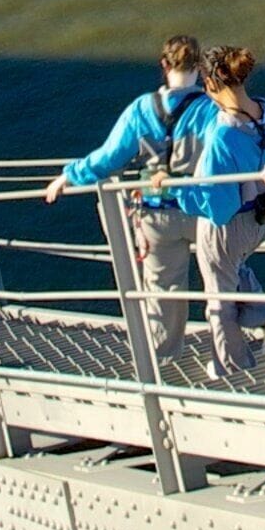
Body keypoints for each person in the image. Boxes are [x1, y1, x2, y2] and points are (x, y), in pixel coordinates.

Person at [46, 36, 214, 350]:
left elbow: (109, 157)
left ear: (164, 65)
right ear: (200, 68)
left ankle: (163, 356)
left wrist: (68, 177)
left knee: (164, 286)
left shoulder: (141, 109)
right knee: (220, 279)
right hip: (202, 207)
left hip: (155, 211)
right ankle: (229, 348)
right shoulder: (209, 108)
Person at [185, 46, 265, 372]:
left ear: (210, 84)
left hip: (229, 227)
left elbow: (218, 208)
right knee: (233, 266)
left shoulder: (224, 135)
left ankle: (230, 366)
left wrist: (174, 192)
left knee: (218, 295)